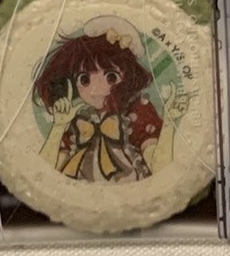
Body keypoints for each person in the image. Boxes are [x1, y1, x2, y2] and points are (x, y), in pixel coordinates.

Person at [33, 23, 162, 183]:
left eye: (111, 77)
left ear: (128, 76)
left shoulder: (136, 110)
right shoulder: (76, 119)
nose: (96, 90)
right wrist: (58, 127)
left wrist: (170, 125)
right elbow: (42, 174)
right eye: (84, 80)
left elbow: (159, 167)